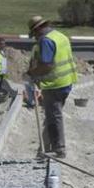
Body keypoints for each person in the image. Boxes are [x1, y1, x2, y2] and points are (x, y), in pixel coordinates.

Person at [26, 15, 78, 158]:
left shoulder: (46, 41)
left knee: (54, 116)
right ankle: (45, 147)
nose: (35, 37)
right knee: (52, 115)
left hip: (55, 84)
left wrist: (32, 73)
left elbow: (47, 65)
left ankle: (58, 149)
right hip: (66, 82)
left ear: (38, 29)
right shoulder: (60, 36)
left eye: (34, 33)